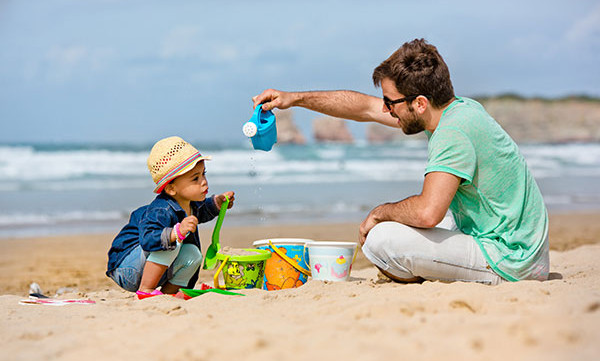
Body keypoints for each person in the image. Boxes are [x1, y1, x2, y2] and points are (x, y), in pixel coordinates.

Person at [252, 38, 549, 284]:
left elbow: (427, 214)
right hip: (512, 240)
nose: (384, 108)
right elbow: (364, 108)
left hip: (512, 259)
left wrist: (380, 213)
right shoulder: (454, 110)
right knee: (417, 223)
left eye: (390, 102)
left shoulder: (453, 132)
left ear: (419, 103)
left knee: (382, 239)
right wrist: (294, 98)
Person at [106, 136, 235, 295]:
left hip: (151, 265)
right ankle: (145, 291)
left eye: (203, 174)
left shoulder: (189, 203)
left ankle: (170, 294)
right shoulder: (161, 210)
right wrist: (176, 233)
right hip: (127, 267)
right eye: (195, 178)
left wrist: (218, 202)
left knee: (193, 254)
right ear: (171, 189)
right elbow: (148, 239)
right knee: (171, 242)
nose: (204, 182)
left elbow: (202, 210)